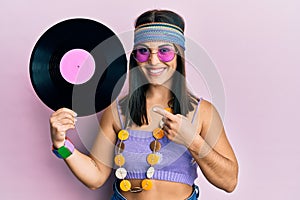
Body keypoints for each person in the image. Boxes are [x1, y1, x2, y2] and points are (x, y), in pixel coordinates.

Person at [49, 9, 238, 200]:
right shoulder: (118, 112)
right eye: (143, 51)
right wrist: (61, 145)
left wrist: (193, 141)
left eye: (164, 51)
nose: (153, 60)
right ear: (134, 57)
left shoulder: (203, 112)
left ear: (179, 55)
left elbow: (229, 182)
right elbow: (96, 177)